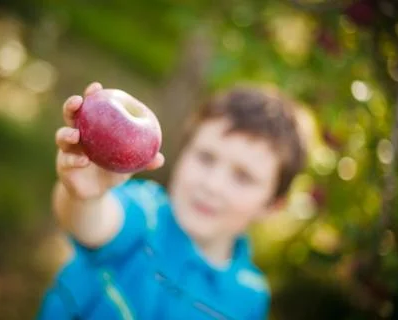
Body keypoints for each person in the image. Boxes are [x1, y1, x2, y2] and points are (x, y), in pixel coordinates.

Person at [37, 81, 306, 320]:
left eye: (243, 177)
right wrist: (85, 196)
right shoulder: (146, 212)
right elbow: (91, 224)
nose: (212, 185)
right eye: (205, 157)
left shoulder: (251, 296)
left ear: (272, 206)